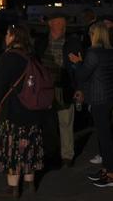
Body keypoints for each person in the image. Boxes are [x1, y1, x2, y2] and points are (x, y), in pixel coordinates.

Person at [0, 24, 44, 198]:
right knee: (29, 147)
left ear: (13, 36)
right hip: (33, 111)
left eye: (7, 33)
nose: (5, 37)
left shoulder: (8, 57)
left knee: (12, 149)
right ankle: (30, 183)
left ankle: (13, 188)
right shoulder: (32, 56)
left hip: (13, 112)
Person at [69, 22, 113, 188]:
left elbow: (83, 75)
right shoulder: (112, 51)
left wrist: (77, 62)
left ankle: (111, 174)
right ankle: (107, 169)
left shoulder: (93, 52)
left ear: (94, 35)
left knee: (104, 136)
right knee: (104, 134)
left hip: (99, 99)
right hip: (109, 97)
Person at [33, 13, 83, 167]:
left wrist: (80, 88)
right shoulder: (41, 42)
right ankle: (50, 153)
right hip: (45, 88)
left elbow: (80, 67)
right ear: (50, 24)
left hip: (64, 86)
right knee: (47, 123)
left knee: (66, 122)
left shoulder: (73, 42)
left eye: (63, 23)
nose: (62, 26)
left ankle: (67, 155)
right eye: (59, 23)